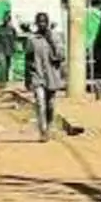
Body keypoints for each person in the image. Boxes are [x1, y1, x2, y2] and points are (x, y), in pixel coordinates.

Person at [25, 12, 66, 141]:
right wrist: (27, 78)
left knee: (50, 104)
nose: (42, 24)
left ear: (47, 23)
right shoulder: (32, 39)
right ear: (36, 24)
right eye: (39, 22)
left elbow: (61, 56)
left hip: (52, 76)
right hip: (37, 76)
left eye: (44, 22)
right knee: (40, 103)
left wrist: (51, 41)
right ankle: (42, 131)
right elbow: (28, 58)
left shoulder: (55, 37)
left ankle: (49, 125)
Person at [0, 13, 18, 88]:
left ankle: (6, 78)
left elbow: (15, 39)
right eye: (4, 19)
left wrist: (14, 48)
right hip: (1, 49)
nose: (5, 20)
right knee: (3, 64)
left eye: (7, 19)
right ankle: (2, 83)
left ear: (9, 20)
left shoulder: (12, 29)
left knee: (8, 65)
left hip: (9, 49)